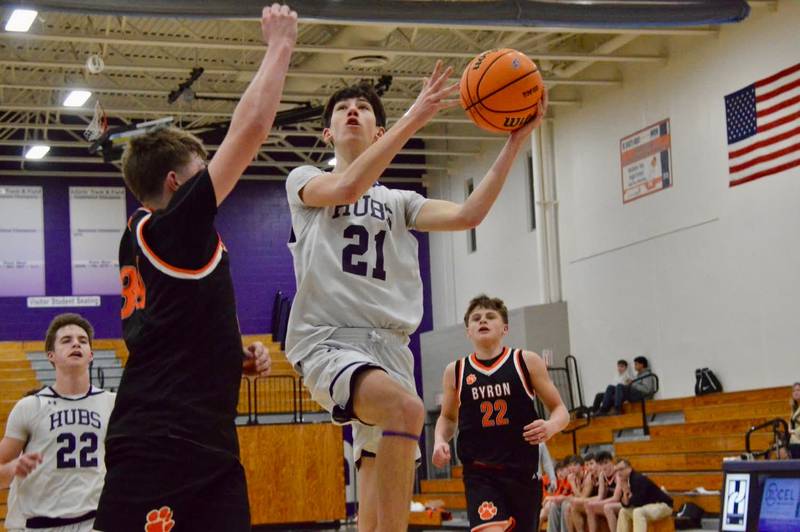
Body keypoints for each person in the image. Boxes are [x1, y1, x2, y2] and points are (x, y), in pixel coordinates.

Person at [284, 60, 547, 531]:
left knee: (373, 487)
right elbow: (348, 185)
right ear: (327, 133)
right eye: (342, 109)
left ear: (378, 130)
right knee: (405, 410)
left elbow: (468, 214)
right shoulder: (304, 181)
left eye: (362, 107)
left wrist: (515, 142)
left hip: (391, 348)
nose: (351, 111)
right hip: (330, 338)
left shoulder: (400, 202)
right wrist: (415, 116)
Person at [93, 5, 294, 531]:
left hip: (207, 444)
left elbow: (173, 325)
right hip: (160, 445)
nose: (211, 179)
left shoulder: (149, 238)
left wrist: (229, 354)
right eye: (201, 172)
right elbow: (250, 130)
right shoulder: (170, 228)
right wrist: (280, 46)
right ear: (177, 186)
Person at [431, 295, 569, 531]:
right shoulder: (456, 371)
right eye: (476, 318)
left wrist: (551, 426)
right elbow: (448, 417)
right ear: (468, 331)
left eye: (490, 316)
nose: (482, 320)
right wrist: (439, 440)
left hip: (523, 473)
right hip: (480, 473)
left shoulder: (526, 361)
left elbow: (560, 409)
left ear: (505, 328)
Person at [0, 314, 115, 531]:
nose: (76, 344)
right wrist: (11, 469)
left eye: (82, 340)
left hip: (95, 521)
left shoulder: (112, 403)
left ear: (91, 355)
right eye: (66, 340)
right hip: (42, 524)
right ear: (50, 355)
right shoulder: (30, 406)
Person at [615, 459, 673, 532]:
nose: (619, 473)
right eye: (617, 470)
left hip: (663, 505)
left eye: (621, 469)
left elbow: (638, 502)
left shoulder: (638, 479)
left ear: (629, 468)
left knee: (638, 512)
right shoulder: (625, 481)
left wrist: (628, 493)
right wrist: (625, 493)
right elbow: (625, 505)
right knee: (623, 511)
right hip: (649, 506)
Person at [585, 452, 621, 532]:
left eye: (606, 463)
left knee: (607, 508)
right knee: (589, 506)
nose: (604, 466)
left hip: (622, 503)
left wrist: (598, 503)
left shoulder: (618, 474)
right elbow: (600, 496)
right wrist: (591, 503)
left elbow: (616, 498)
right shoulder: (602, 475)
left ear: (612, 461)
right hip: (611, 502)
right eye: (601, 464)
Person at [789, 382, 800, 459]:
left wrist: (793, 431)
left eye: (798, 390)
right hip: (794, 442)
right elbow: (791, 421)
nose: (796, 392)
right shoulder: (794, 408)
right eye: (794, 391)